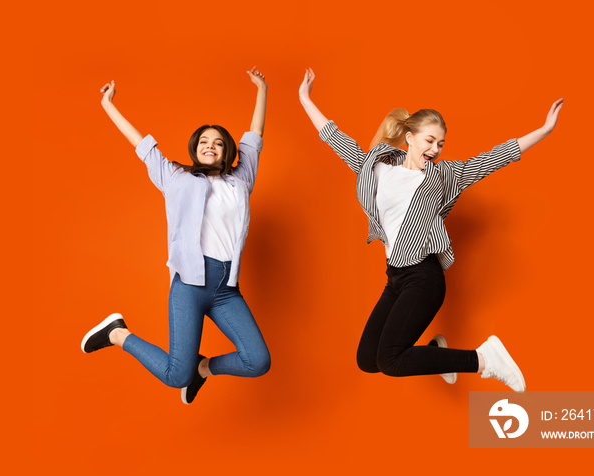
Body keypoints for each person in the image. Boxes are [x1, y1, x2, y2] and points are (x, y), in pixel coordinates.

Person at [299, 68, 564, 392]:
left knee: (391, 361)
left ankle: (483, 359)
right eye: (429, 140)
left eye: (440, 143)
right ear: (409, 138)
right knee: (368, 359)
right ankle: (436, 354)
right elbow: (335, 138)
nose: (436, 149)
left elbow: (494, 158)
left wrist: (544, 131)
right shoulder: (378, 167)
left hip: (424, 278)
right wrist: (305, 99)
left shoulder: (442, 177)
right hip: (395, 278)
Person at [82, 67, 271, 404]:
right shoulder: (176, 178)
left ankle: (203, 370)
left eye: (217, 143)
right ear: (195, 149)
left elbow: (255, 135)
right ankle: (117, 333)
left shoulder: (241, 180)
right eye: (203, 142)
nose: (210, 146)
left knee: (257, 361)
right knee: (175, 376)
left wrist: (262, 89)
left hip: (228, 289)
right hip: (190, 286)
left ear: (227, 150)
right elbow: (140, 144)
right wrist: (108, 105)